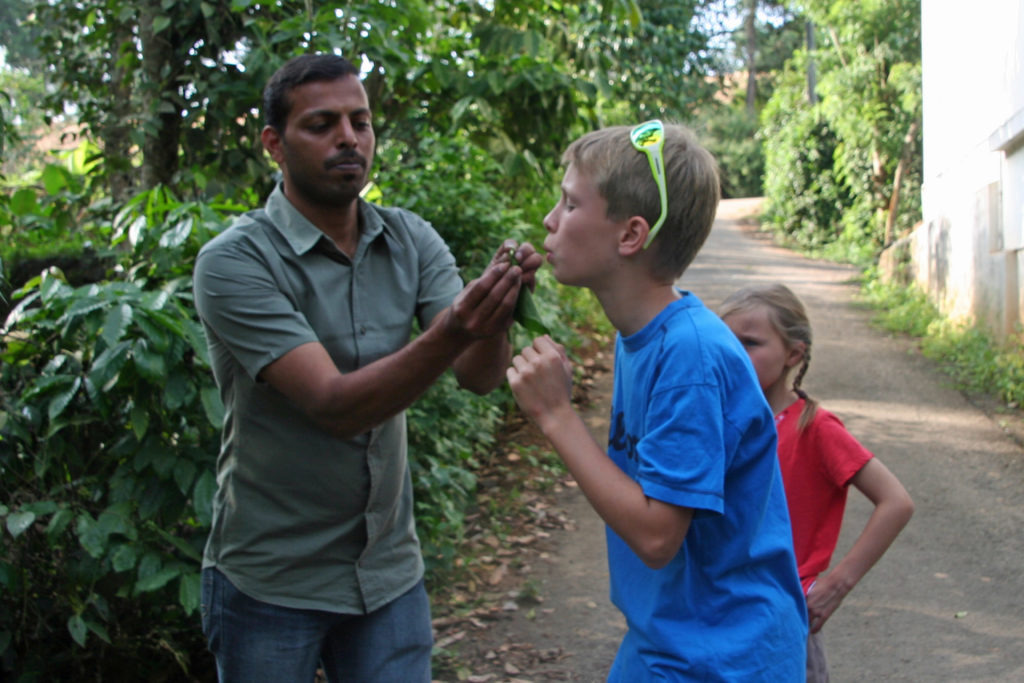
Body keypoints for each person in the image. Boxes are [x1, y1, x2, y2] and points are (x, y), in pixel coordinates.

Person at [192, 53, 541, 683]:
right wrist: (457, 327)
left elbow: (478, 375)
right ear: (274, 144)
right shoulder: (235, 262)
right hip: (271, 581)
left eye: (361, 121)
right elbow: (334, 407)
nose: (349, 138)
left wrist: (496, 312)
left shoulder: (411, 239)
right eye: (321, 124)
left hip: (388, 576)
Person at [505, 120, 808, 680]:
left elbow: (656, 535)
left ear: (630, 235)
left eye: (569, 204)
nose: (549, 220)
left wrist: (556, 415)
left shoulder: (689, 356)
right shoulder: (643, 335)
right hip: (668, 639)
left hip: (725, 656)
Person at [719, 283, 915, 683]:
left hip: (783, 622)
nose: (734, 354)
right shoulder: (720, 421)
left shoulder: (816, 428)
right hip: (717, 613)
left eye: (751, 343)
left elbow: (896, 501)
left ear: (794, 354)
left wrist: (838, 583)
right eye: (727, 341)